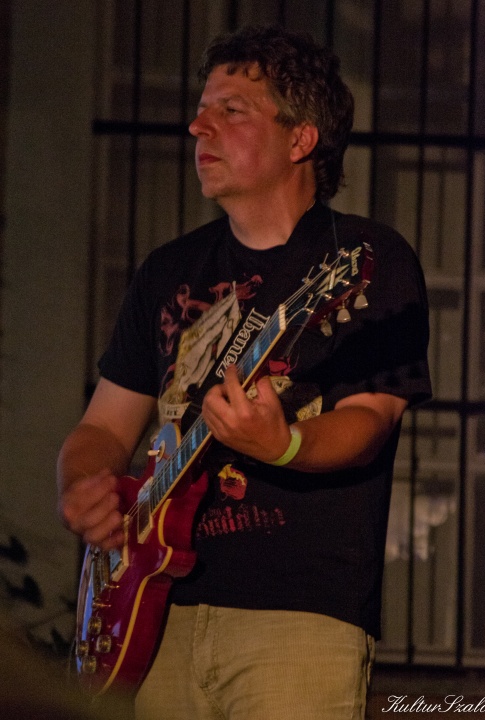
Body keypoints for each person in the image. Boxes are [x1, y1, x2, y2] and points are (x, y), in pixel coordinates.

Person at [57, 24, 431, 720]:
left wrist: (282, 444)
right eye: (202, 109)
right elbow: (104, 428)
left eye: (230, 110)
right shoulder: (167, 269)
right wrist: (84, 486)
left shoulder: (363, 258)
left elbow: (368, 420)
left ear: (301, 139)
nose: (197, 125)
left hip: (297, 614)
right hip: (153, 612)